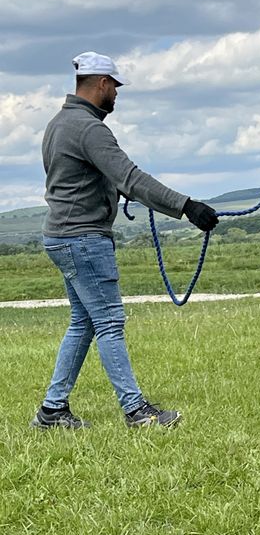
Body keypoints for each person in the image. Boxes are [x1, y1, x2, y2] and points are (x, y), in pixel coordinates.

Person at [31, 51, 219, 430]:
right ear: (102, 83)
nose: (116, 94)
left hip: (62, 236)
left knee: (83, 322)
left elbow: (79, 179)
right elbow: (131, 176)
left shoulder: (58, 123)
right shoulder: (89, 128)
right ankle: (137, 412)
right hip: (84, 239)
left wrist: (111, 191)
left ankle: (52, 411)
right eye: (115, 86)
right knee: (110, 322)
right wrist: (186, 206)